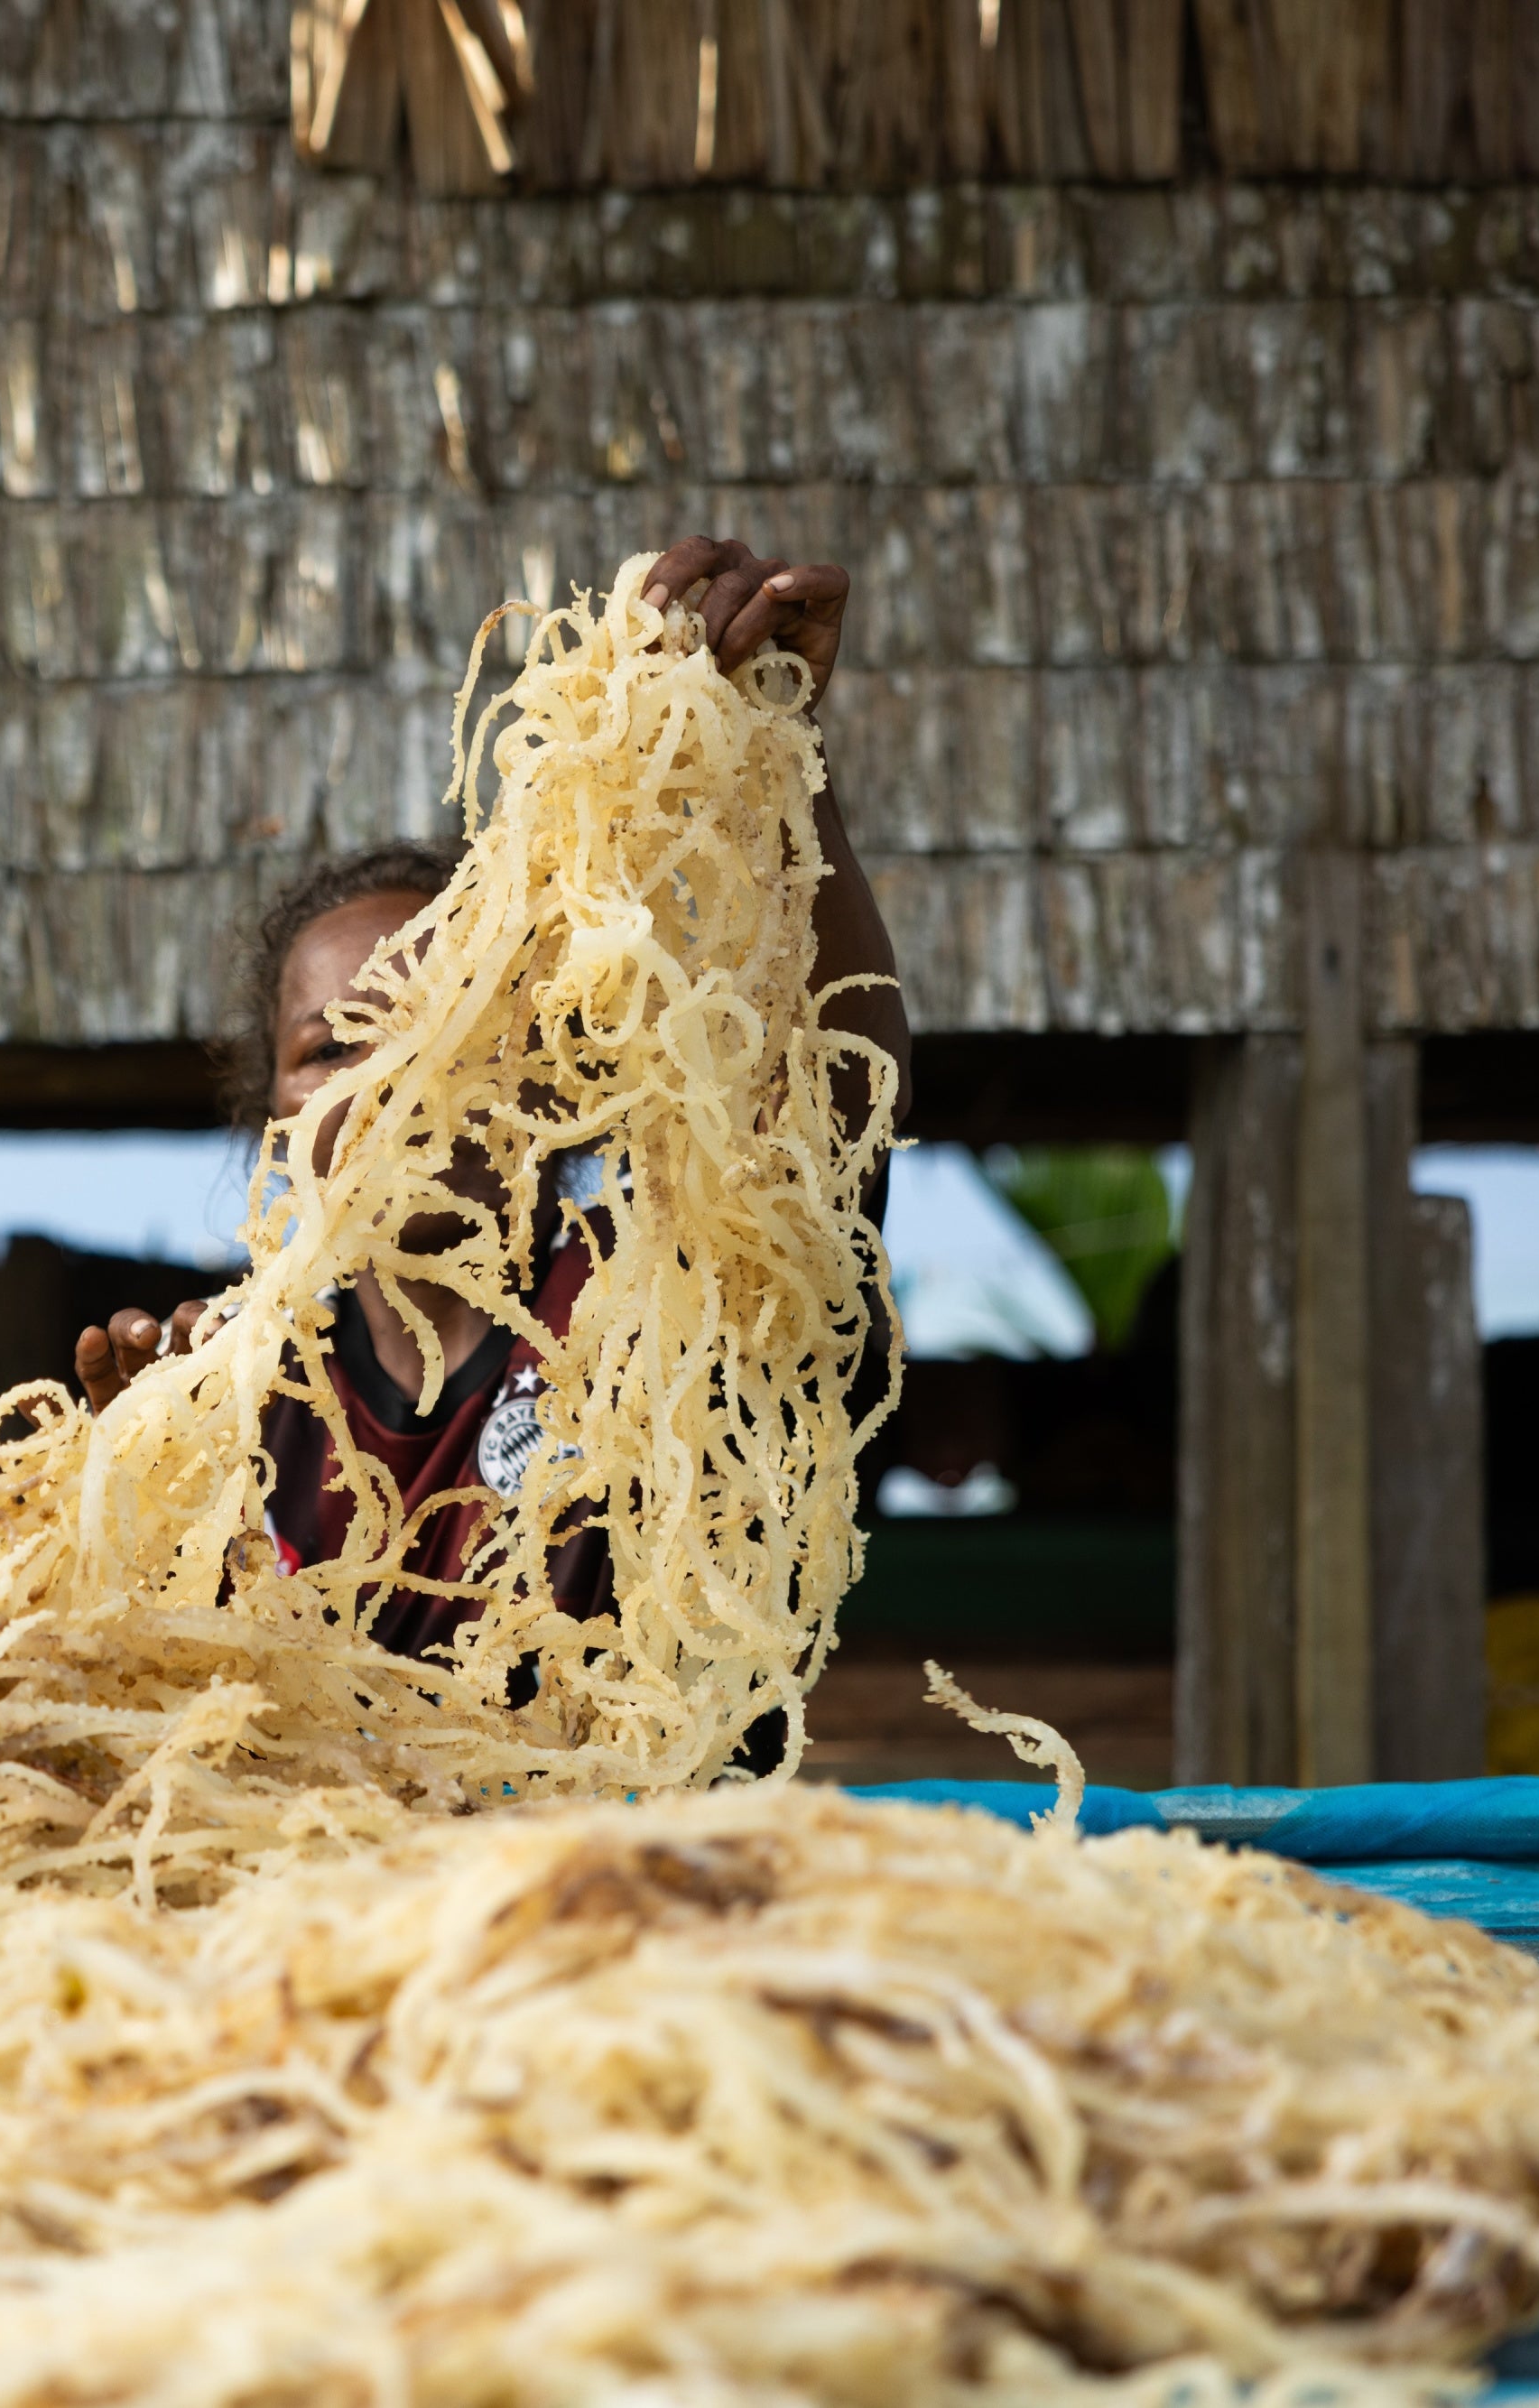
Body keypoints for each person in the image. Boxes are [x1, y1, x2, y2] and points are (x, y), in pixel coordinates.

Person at [71, 536, 915, 1666]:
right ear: (273, 1111)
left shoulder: (658, 1304)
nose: (391, 1079)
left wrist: (775, 754)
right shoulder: (246, 1403)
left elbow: (833, 1106)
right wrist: (129, 1521)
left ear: (552, 1072)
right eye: (330, 1048)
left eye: (443, 1029)